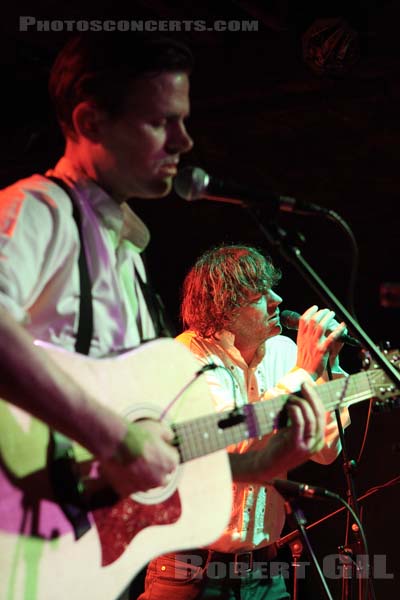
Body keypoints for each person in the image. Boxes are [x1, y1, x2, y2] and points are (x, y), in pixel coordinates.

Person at [0, 34, 196, 537]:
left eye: (182, 120)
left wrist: (260, 461)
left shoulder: (129, 255)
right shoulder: (38, 210)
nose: (183, 141)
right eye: (159, 122)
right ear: (90, 122)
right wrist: (121, 442)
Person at [139, 244, 350, 600]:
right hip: (189, 575)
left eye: (273, 289)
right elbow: (236, 445)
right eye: (260, 295)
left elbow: (326, 453)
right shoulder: (185, 358)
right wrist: (304, 372)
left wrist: (326, 373)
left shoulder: (285, 353)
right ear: (223, 309)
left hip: (266, 575)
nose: (278, 300)